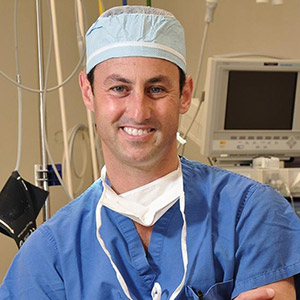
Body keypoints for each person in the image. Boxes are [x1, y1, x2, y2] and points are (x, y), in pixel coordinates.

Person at [1, 5, 300, 300]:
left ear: (185, 95)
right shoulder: (49, 254)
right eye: (119, 88)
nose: (138, 111)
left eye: (156, 89)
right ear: (88, 92)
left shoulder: (251, 213)